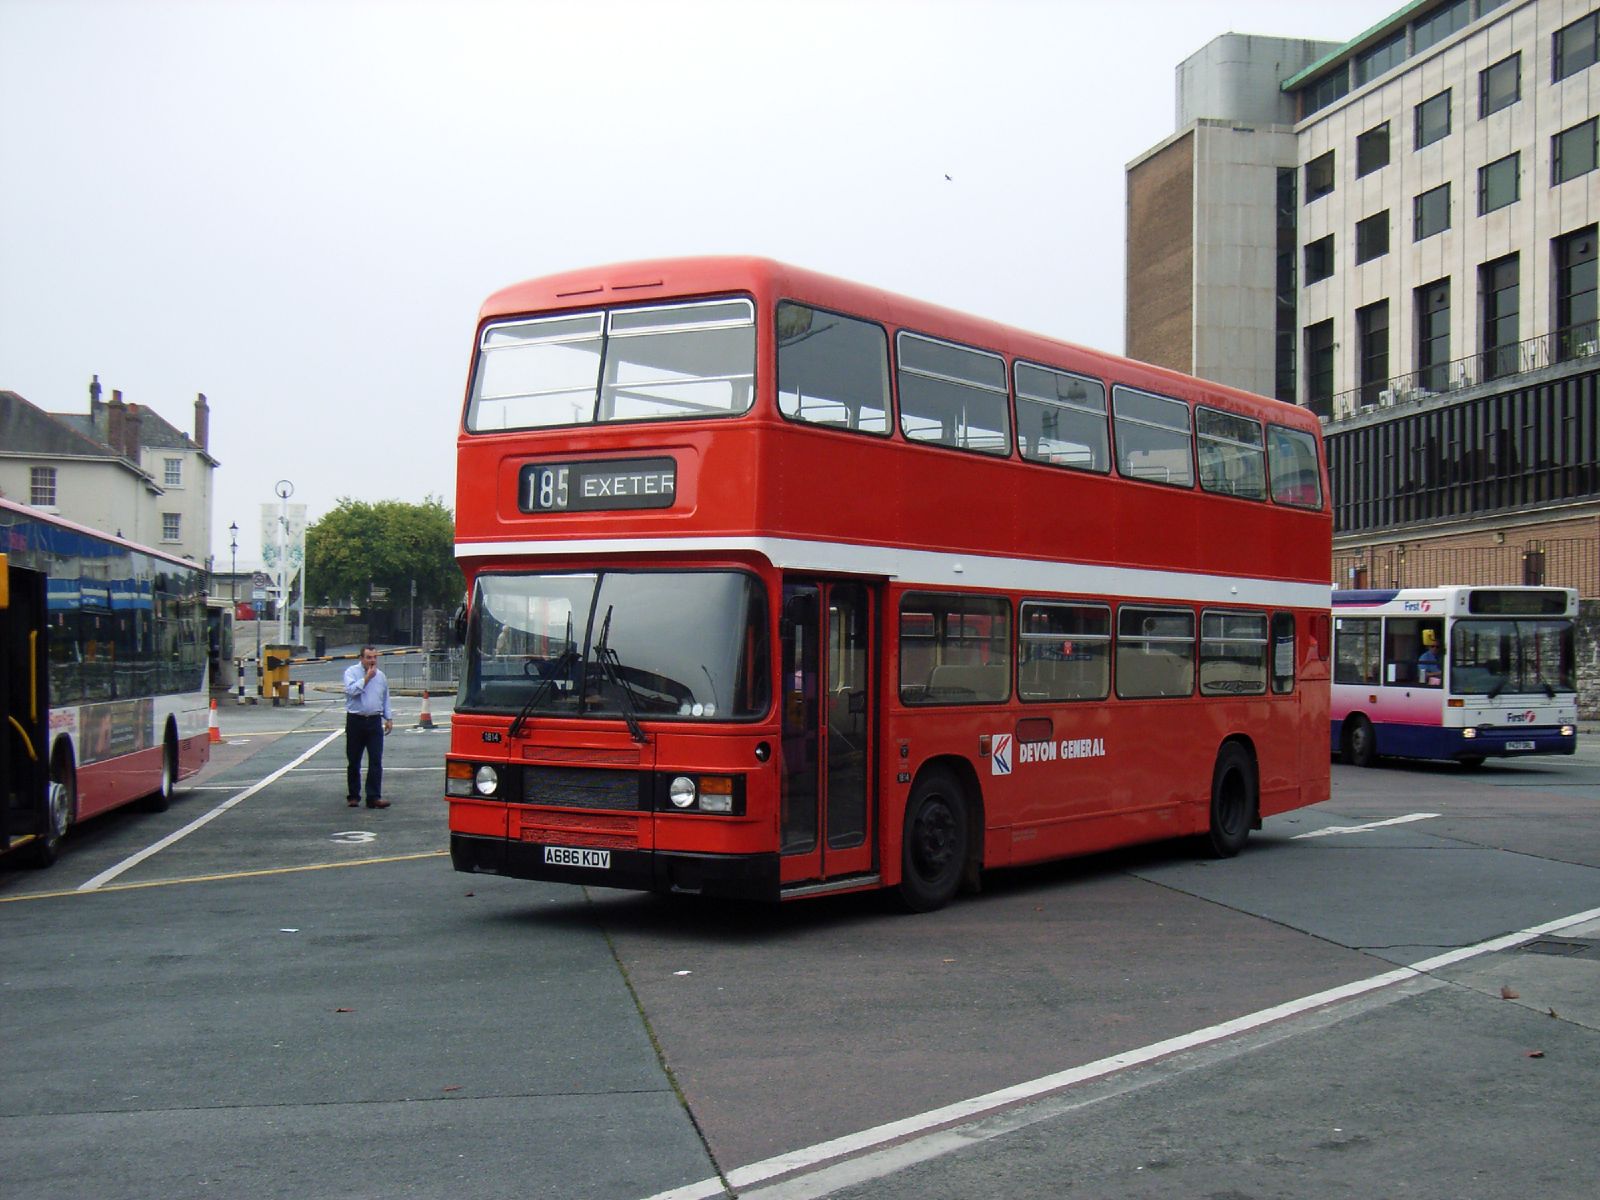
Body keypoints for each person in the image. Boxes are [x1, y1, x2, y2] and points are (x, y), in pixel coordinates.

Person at [343, 645, 394, 808]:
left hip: (374, 721)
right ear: (361, 658)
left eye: (374, 657)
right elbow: (351, 691)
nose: (372, 661)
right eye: (369, 657)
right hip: (356, 720)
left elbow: (385, 697)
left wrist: (388, 718)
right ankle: (353, 795)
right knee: (354, 760)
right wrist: (366, 678)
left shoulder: (381, 676)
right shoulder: (351, 672)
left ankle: (373, 796)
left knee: (376, 760)